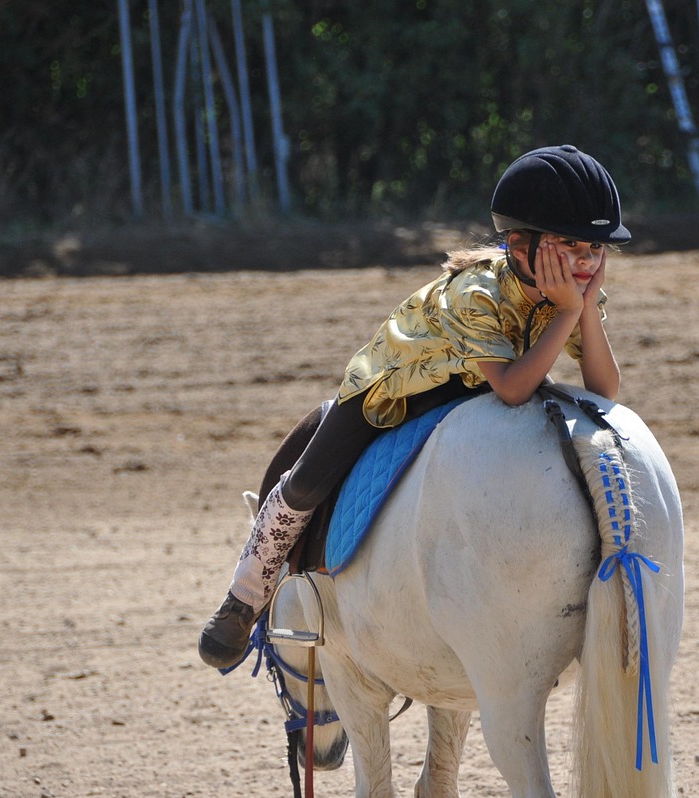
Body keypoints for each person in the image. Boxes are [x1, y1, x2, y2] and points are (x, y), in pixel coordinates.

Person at [198, 144, 631, 669]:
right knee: (308, 482)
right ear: (520, 244)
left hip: (471, 387)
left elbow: (604, 388)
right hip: (391, 387)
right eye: (570, 245)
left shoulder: (575, 290)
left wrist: (580, 308)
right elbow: (513, 390)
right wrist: (567, 312)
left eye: (596, 248)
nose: (586, 261)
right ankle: (244, 598)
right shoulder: (478, 292)